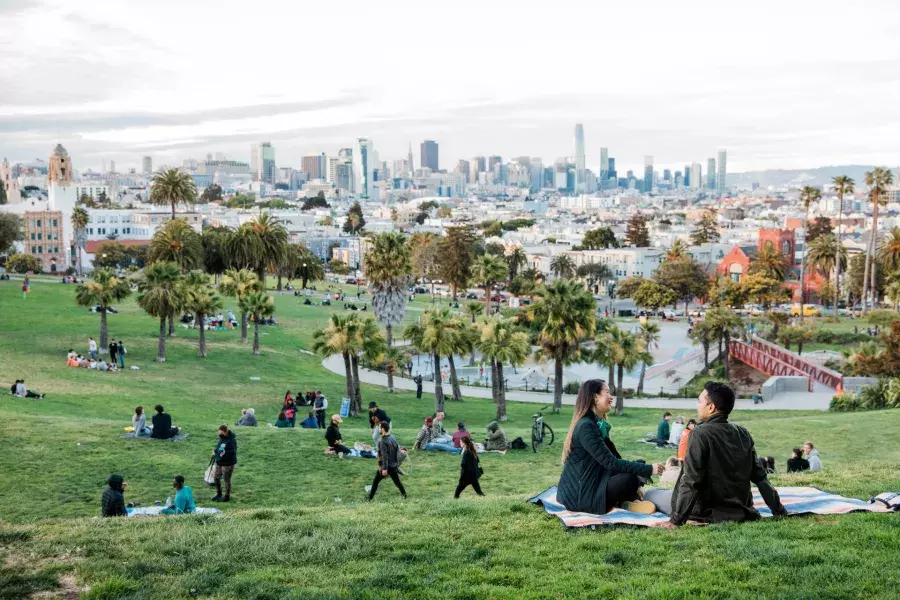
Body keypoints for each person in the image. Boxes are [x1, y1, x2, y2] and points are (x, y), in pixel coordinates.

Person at [657, 382, 787, 527]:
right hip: (740, 510)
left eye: (700, 401)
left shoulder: (700, 433)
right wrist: (779, 510)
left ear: (711, 407)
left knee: (653, 495)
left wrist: (675, 521)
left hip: (705, 512)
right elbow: (760, 477)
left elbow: (692, 480)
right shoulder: (742, 432)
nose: (697, 405)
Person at [557, 380, 662, 515]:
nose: (611, 397)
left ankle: (627, 501)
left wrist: (639, 472)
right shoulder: (586, 426)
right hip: (580, 496)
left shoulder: (597, 425)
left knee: (635, 468)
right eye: (607, 392)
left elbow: (615, 458)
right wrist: (649, 469)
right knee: (630, 476)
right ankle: (625, 502)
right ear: (595, 397)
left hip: (593, 483)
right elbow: (610, 462)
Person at [368, 421, 407, 500]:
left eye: (379, 427)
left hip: (387, 466)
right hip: (394, 466)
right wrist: (402, 449)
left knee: (375, 481)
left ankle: (369, 498)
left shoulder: (382, 441)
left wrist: (384, 469)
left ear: (382, 429)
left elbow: (384, 456)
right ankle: (405, 495)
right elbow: (397, 447)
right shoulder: (392, 437)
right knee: (397, 482)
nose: (378, 428)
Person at [212, 425, 237, 502]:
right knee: (216, 478)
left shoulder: (231, 440)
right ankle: (219, 494)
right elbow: (219, 447)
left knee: (226, 480)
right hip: (219, 462)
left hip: (228, 464)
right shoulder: (221, 438)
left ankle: (226, 497)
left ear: (225, 432)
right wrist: (215, 451)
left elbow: (232, 452)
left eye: (221, 432)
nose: (219, 434)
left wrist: (221, 453)